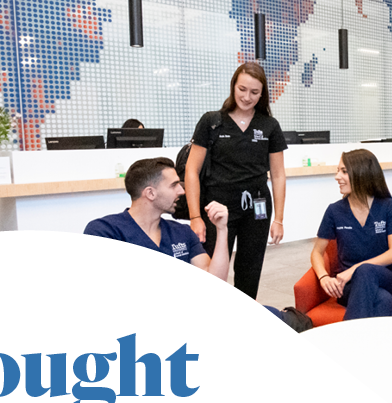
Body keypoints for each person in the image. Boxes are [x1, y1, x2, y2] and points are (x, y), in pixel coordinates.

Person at [183, 62, 287, 299]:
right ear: (233, 87)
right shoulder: (212, 122)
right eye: (242, 89)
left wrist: (279, 219)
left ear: (262, 94)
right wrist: (195, 217)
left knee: (250, 267)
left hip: (258, 207)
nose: (247, 97)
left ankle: (244, 316)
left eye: (254, 92)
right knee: (213, 268)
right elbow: (191, 170)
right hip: (217, 206)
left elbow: (278, 174)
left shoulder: (269, 125)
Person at [84, 157, 230, 279]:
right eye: (174, 185)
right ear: (150, 193)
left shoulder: (183, 232)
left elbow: (215, 281)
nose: (182, 191)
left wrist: (222, 229)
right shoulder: (104, 232)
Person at [311, 149, 392, 320]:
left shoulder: (388, 206)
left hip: (388, 279)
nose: (337, 177)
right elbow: (317, 252)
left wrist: (355, 269)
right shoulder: (334, 211)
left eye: (344, 171)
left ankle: (346, 339)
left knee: (366, 271)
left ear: (362, 173)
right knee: (384, 300)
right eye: (338, 171)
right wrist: (323, 277)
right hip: (348, 286)